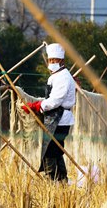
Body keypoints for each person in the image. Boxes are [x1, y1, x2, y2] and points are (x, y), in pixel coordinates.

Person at [20, 42, 77, 182]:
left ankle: (52, 179)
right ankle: (61, 180)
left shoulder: (63, 77)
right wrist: (40, 104)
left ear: (61, 61)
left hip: (60, 118)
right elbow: (51, 99)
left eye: (54, 60)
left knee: (51, 151)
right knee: (55, 151)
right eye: (50, 60)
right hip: (54, 117)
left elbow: (56, 100)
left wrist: (38, 105)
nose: (52, 63)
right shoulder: (56, 76)